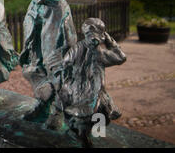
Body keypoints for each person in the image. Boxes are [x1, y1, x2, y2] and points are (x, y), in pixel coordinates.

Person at [51, 18, 127, 146]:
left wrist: (109, 41)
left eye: (96, 36)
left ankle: (84, 132)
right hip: (78, 90)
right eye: (89, 35)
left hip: (95, 92)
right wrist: (65, 86)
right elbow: (64, 66)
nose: (92, 39)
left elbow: (121, 58)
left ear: (101, 36)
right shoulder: (77, 50)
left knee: (102, 117)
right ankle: (81, 134)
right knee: (84, 116)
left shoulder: (99, 53)